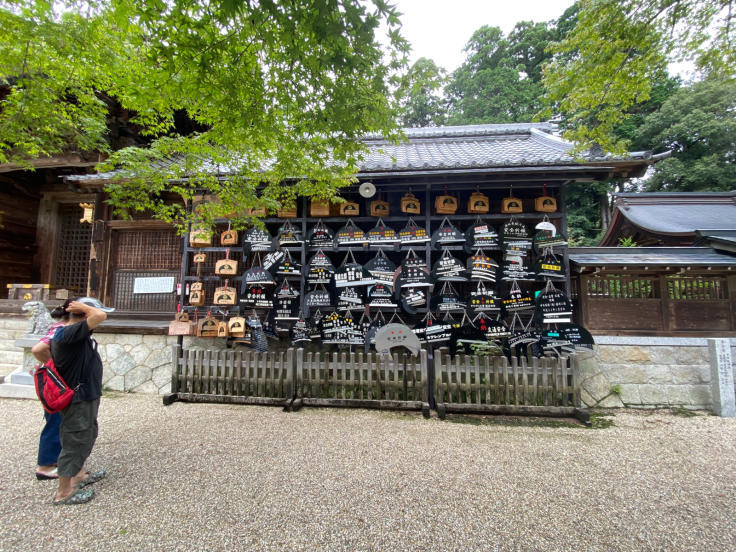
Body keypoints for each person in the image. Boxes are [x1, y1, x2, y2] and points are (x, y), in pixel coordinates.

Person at [49, 297, 114, 505]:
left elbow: (42, 351)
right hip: (78, 397)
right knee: (74, 439)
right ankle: (63, 492)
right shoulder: (68, 333)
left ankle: (78, 476)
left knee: (86, 434)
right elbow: (100, 316)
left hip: (86, 394)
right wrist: (86, 308)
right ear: (83, 315)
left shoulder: (72, 334)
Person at [30, 308, 66, 480]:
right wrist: (54, 367)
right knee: (55, 420)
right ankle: (45, 465)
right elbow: (38, 349)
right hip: (55, 383)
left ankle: (56, 459)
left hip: (56, 383)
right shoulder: (61, 329)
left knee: (60, 421)